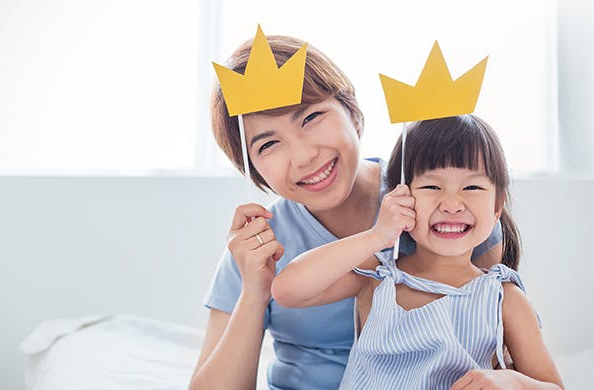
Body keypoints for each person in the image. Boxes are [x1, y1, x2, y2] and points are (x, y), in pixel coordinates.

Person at [189, 35, 503, 390]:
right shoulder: (257, 245)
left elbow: (493, 338)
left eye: (311, 118)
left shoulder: (445, 210)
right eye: (269, 144)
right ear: (253, 169)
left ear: (351, 112)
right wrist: (254, 292)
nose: (304, 155)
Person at [272, 115, 564, 389]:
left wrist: (512, 382)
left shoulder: (504, 299)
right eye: (431, 185)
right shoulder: (379, 277)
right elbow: (287, 289)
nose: (452, 204)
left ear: (497, 206)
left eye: (472, 186)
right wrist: (376, 236)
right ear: (400, 198)